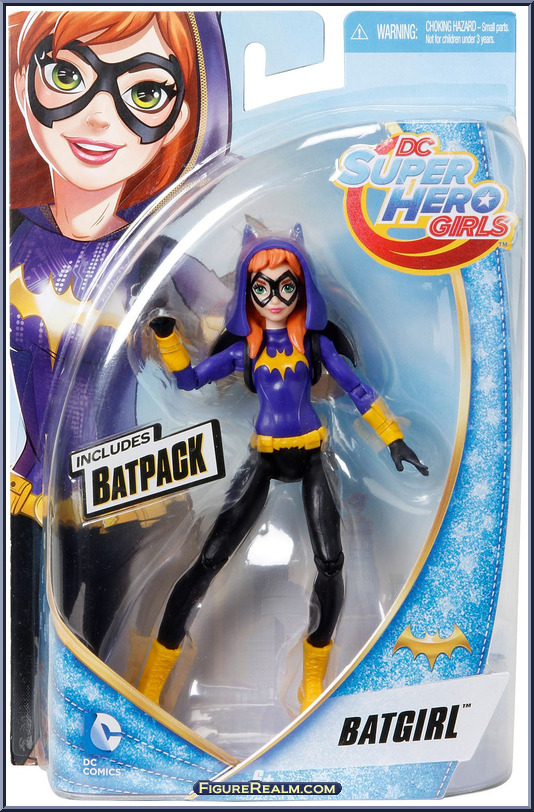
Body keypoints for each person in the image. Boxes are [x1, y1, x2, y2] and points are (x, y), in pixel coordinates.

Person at [9, 10, 231, 763]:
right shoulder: (15, 238)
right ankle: (25, 742)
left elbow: (232, 324)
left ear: (179, 121)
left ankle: (87, 747)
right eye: (67, 76)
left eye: (144, 92)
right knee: (25, 639)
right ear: (21, 79)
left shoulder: (154, 254)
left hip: (122, 490)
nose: (99, 116)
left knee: (98, 639)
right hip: (34, 488)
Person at [138, 223, 429, 713]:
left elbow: (359, 390)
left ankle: (312, 678)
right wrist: (169, 339)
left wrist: (394, 439)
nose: (275, 297)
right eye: (263, 287)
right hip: (264, 455)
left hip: (312, 455)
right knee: (209, 560)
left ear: (302, 287)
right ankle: (151, 679)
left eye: (285, 285)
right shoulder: (244, 350)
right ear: (248, 293)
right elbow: (188, 381)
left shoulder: (316, 346)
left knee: (331, 563)